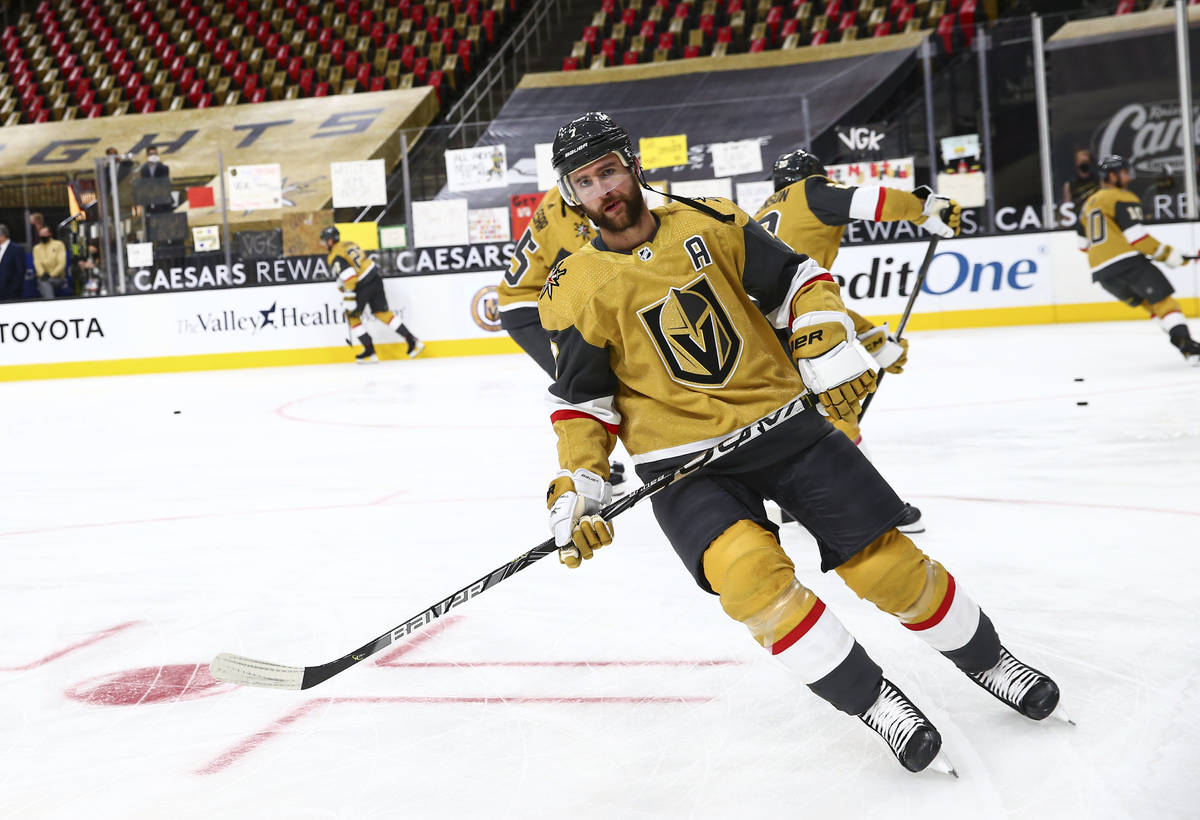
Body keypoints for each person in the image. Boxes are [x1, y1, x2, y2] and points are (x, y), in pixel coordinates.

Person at [538, 112, 1064, 774]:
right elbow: (583, 401)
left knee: (886, 566)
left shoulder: (712, 221)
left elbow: (797, 280)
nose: (602, 190)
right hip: (684, 466)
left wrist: (821, 332)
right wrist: (578, 484)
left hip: (783, 423)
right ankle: (876, 704)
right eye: (585, 182)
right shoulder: (576, 285)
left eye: (608, 171)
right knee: (750, 581)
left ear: (632, 167)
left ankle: (993, 662)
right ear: (572, 195)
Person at [753, 148, 963, 534]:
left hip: (756, 332)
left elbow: (803, 298)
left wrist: (874, 339)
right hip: (790, 331)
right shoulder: (810, 192)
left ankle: (795, 504)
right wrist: (923, 208)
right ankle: (873, 511)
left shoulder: (762, 212)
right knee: (839, 407)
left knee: (801, 419)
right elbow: (873, 201)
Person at [500, 186, 628, 493]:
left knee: (592, 381)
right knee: (581, 385)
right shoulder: (568, 223)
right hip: (528, 310)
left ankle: (596, 465)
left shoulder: (565, 195)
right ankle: (589, 470)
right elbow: (593, 275)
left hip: (539, 303)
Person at [1077, 155, 1198, 365]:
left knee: (1153, 307)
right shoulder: (1121, 197)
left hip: (1103, 274)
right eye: (1124, 173)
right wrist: (1170, 255)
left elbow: (1082, 245)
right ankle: (1188, 346)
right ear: (1112, 175)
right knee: (1165, 303)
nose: (1129, 178)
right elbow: (1138, 238)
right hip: (1128, 264)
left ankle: (1184, 345)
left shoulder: (1087, 204)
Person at [320, 225, 423, 363]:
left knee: (352, 316)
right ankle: (413, 341)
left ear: (331, 241)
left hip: (363, 284)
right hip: (375, 277)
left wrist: (349, 297)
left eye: (325, 240)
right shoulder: (349, 243)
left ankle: (370, 351)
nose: (323, 244)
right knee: (382, 313)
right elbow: (354, 266)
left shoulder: (334, 255)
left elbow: (350, 277)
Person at [1062, 148, 1100, 224]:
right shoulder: (1069, 184)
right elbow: (1067, 207)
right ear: (1076, 163)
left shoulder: (1098, 181)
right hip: (1078, 221)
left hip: (1096, 219)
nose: (1084, 164)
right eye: (1082, 162)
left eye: (1086, 162)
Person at [32, 225, 67, 299]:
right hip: (42, 277)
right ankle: (51, 301)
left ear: (50, 234)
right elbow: (37, 263)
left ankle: (49, 303)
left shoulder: (58, 244)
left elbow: (62, 263)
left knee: (44, 283)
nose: (42, 235)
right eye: (41, 233)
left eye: (45, 233)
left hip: (58, 278)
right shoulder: (36, 248)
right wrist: (42, 274)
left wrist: (51, 275)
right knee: (43, 282)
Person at [0, 224, 25, 301]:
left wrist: (14, 291)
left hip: (11, 296)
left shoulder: (17, 249)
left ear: (2, 236)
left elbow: (20, 272)